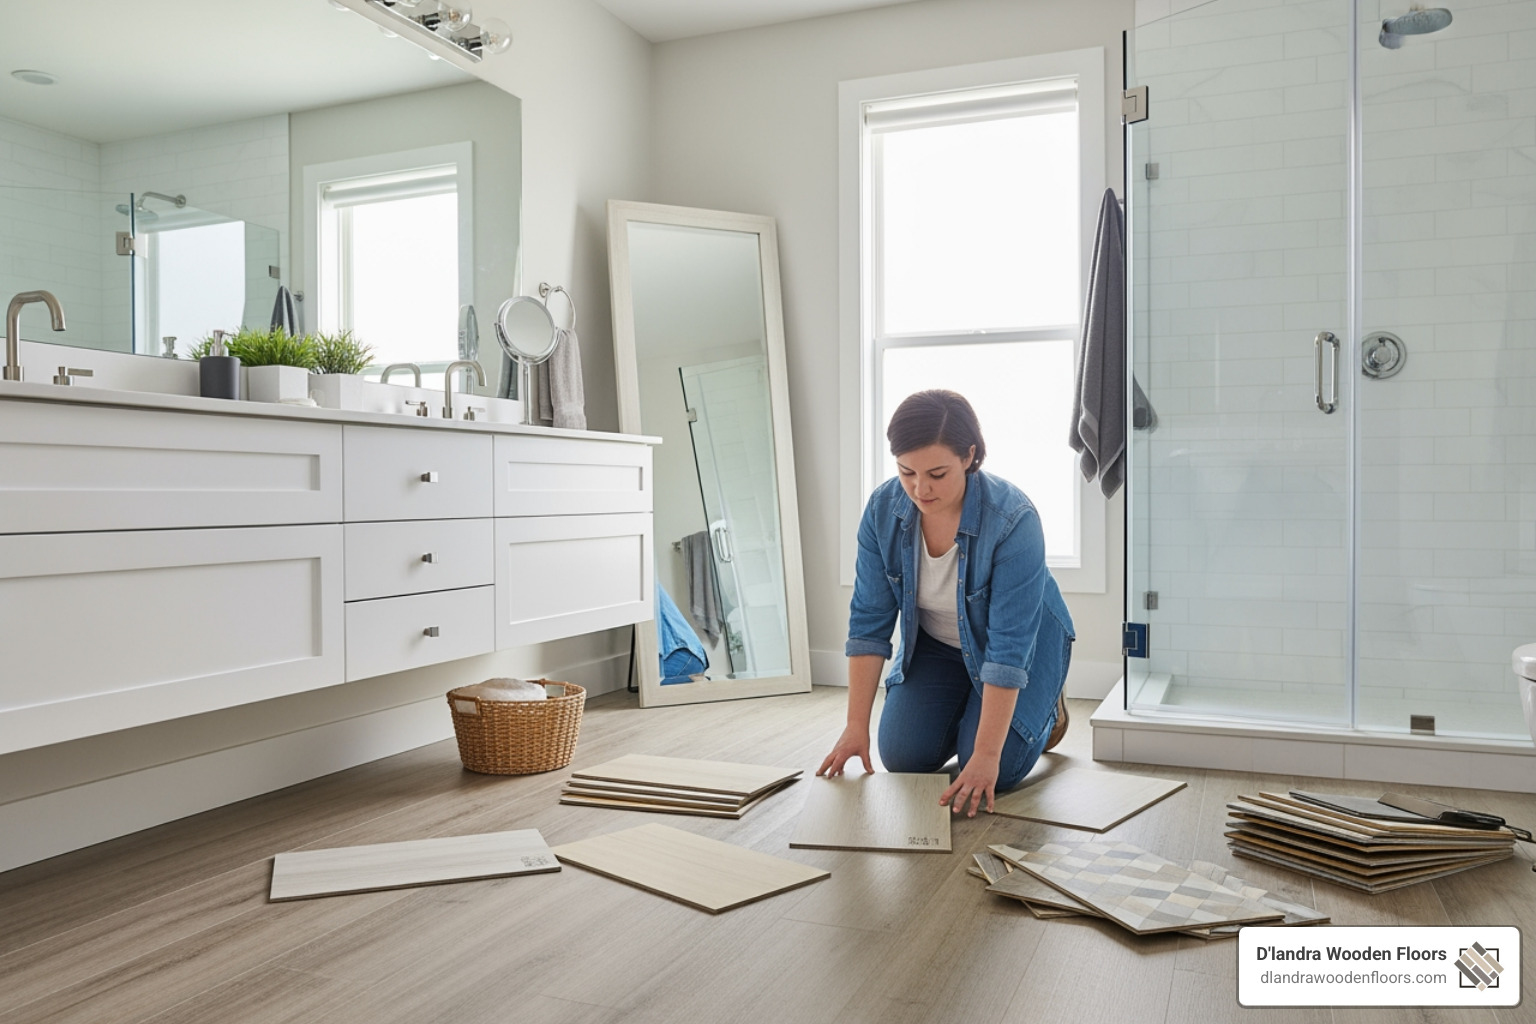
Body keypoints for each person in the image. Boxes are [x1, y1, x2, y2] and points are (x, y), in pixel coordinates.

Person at [818, 389, 1075, 817]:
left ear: (969, 456)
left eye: (937, 473)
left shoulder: (1014, 519)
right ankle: (971, 711)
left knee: (1001, 768)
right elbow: (869, 622)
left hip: (1022, 648)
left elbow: (1010, 646)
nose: (921, 488)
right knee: (902, 758)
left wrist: (987, 754)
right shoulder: (883, 510)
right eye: (906, 472)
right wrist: (854, 727)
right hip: (939, 646)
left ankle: (1046, 709)